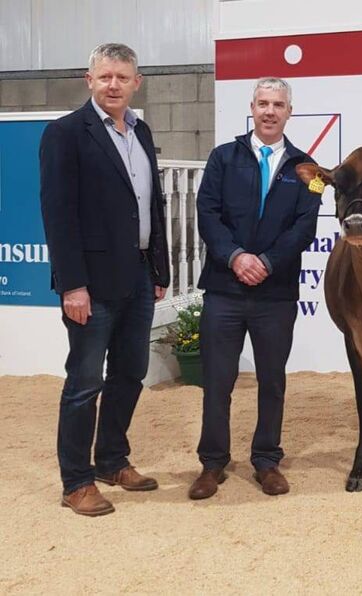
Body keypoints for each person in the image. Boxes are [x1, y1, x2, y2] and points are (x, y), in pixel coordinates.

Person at [40, 43, 170, 516]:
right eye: (105, 76)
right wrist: (72, 285)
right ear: (88, 79)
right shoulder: (66, 133)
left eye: (123, 77)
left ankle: (112, 460)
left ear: (137, 82)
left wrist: (158, 271)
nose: (113, 84)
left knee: (131, 373)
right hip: (90, 283)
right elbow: (58, 214)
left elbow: (151, 206)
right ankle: (75, 482)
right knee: (84, 382)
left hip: (138, 275)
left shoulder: (141, 131)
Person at [188, 77, 320, 500]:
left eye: (277, 104)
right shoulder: (224, 157)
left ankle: (267, 460)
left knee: (272, 380)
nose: (269, 111)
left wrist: (265, 262)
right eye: (263, 103)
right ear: (252, 107)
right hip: (225, 289)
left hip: (274, 293)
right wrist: (235, 257)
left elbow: (305, 227)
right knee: (217, 380)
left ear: (289, 111)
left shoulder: (307, 168)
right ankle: (212, 464)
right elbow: (207, 213)